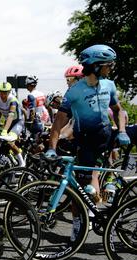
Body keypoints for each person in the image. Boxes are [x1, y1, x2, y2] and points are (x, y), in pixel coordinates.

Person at [46, 44, 130, 241]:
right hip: (85, 142)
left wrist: (123, 131)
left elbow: (118, 110)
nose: (110, 68)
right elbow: (60, 120)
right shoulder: (75, 91)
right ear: (94, 65)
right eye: (108, 65)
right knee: (81, 188)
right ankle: (78, 224)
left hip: (106, 137)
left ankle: (107, 202)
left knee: (105, 178)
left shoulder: (109, 85)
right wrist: (52, 147)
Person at [0, 82, 25, 167]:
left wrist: (4, 130)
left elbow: (10, 116)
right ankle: (10, 159)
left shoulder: (12, 100)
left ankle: (22, 163)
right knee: (0, 142)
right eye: (1, 92)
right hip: (8, 122)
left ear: (9, 92)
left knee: (9, 141)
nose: (3, 95)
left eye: (5, 93)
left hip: (18, 122)